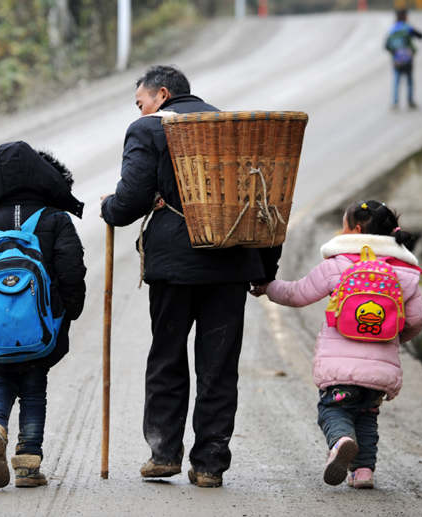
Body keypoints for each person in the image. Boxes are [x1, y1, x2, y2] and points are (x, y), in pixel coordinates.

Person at [100, 65, 282, 488]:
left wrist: (110, 207)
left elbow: (130, 202)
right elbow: (267, 198)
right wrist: (265, 268)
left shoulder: (148, 130)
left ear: (162, 94)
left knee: (167, 357)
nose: (140, 108)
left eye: (140, 100)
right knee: (219, 366)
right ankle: (209, 464)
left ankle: (163, 454)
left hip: (174, 268)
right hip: (232, 264)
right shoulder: (232, 127)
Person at [251, 200, 422, 489]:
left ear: (356, 230)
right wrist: (393, 337)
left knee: (334, 411)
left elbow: (297, 294)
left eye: (343, 226)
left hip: (339, 368)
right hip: (380, 372)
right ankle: (363, 473)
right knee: (368, 418)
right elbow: (417, 319)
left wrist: (268, 288)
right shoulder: (405, 273)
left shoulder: (340, 265)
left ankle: (341, 441)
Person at [0, 141, 86, 488]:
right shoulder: (55, 219)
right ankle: (28, 463)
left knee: (0, 380)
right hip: (43, 330)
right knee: (33, 389)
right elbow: (71, 270)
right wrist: (66, 314)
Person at [385, 9, 422, 110]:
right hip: (408, 59)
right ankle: (410, 101)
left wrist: (395, 53)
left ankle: (395, 102)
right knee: (409, 80)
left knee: (396, 81)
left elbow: (386, 46)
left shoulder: (392, 29)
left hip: (396, 60)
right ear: (405, 17)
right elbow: (421, 36)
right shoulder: (407, 28)